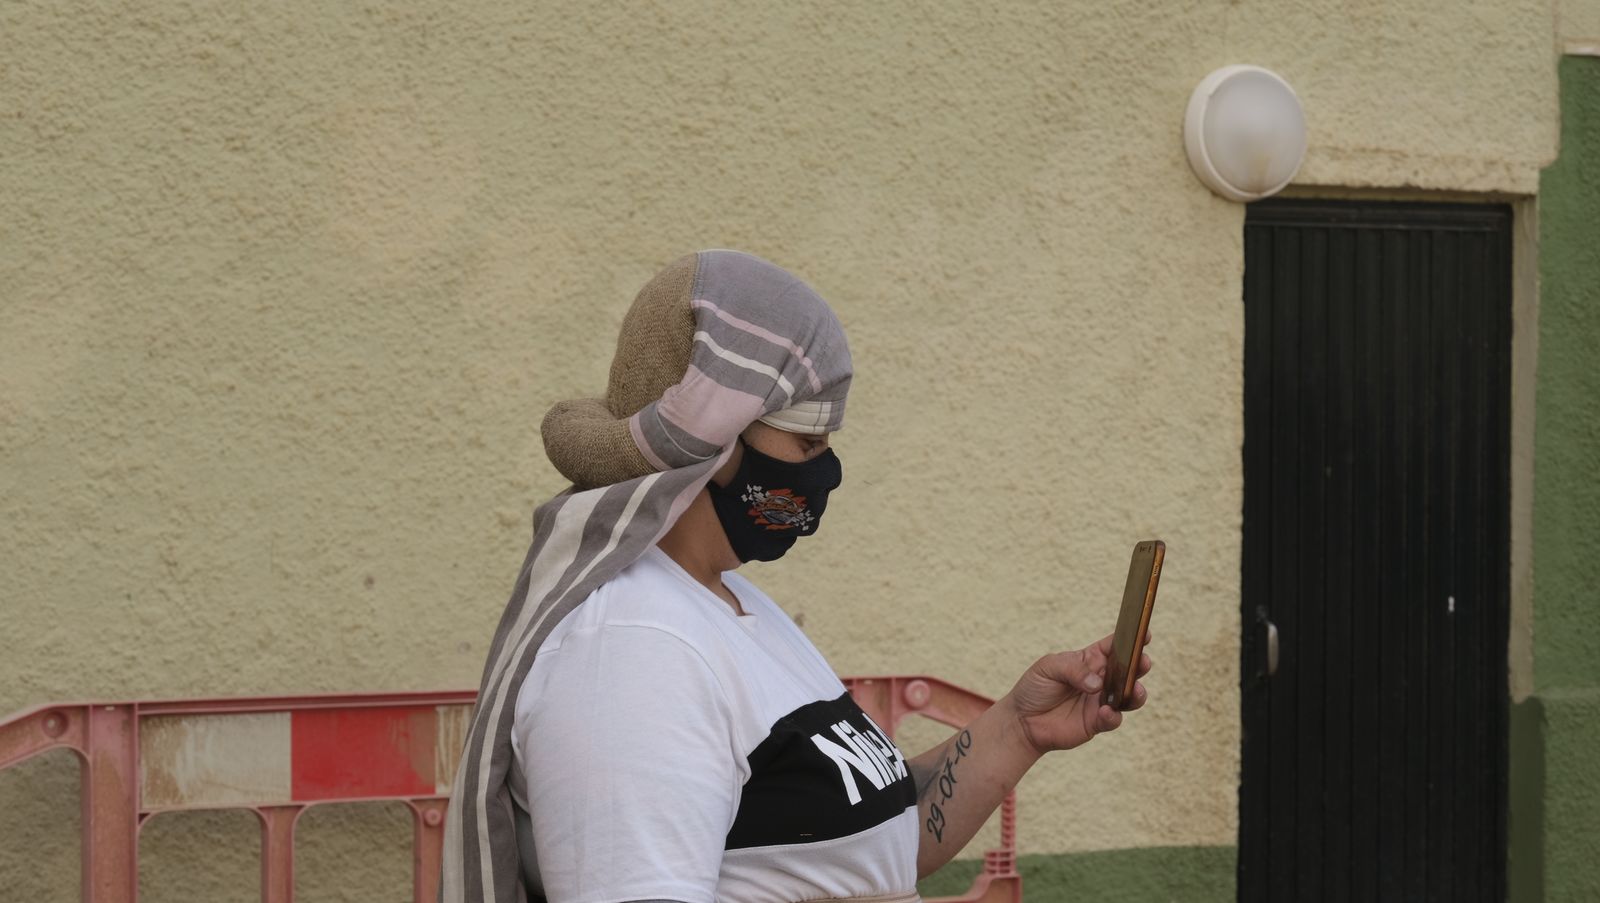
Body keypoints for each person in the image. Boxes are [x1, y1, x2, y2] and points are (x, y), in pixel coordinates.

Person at [439, 251, 1151, 903]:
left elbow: (869, 841)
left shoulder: (731, 604)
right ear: (716, 442)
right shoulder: (631, 654)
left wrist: (1018, 729)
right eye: (806, 442)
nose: (824, 470)